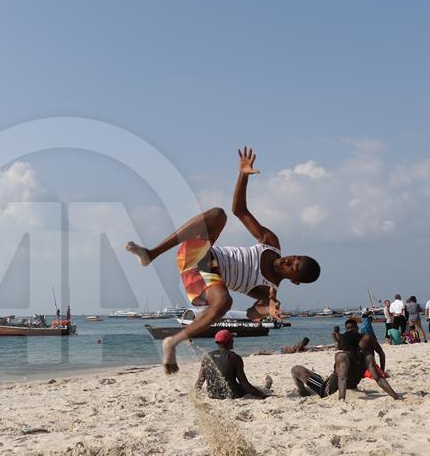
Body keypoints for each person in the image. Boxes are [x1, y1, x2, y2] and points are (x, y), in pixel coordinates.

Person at [125, 147, 321, 373]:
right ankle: (152, 253)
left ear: (294, 280)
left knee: (225, 302)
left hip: (202, 282)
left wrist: (268, 309)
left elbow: (251, 314)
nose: (287, 261)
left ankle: (172, 343)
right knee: (218, 214)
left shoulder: (268, 291)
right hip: (197, 255)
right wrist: (243, 175)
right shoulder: (270, 241)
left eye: (292, 267)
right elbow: (239, 210)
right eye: (293, 258)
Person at [291, 318, 400, 401]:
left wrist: (341, 400)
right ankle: (311, 384)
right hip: (352, 385)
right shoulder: (367, 357)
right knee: (317, 376)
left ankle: (303, 392)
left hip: (327, 390)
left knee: (296, 369)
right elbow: (379, 379)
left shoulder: (342, 356)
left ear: (344, 344)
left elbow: (342, 379)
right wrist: (396, 397)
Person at [195, 330, 270, 399]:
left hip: (212, 394)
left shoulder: (207, 356)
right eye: (232, 339)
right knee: (255, 389)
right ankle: (265, 388)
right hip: (231, 394)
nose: (233, 341)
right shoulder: (234, 358)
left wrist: (194, 394)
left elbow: (200, 380)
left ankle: (264, 387)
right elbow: (245, 385)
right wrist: (262, 395)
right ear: (229, 341)